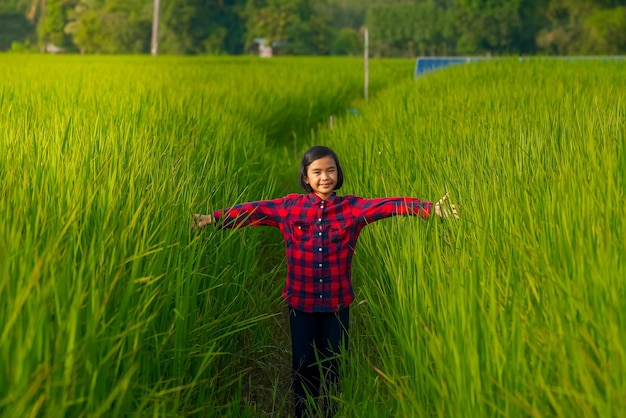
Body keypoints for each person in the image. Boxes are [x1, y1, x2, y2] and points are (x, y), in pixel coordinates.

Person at [193, 145, 458, 417]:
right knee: (303, 367)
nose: (325, 177)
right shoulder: (290, 207)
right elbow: (254, 211)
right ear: (306, 177)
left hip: (337, 305)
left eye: (330, 170)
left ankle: (332, 412)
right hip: (301, 304)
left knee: (334, 367)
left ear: (338, 173)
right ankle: (304, 413)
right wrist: (213, 219)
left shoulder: (352, 208)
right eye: (317, 172)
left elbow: (388, 206)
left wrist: (428, 209)